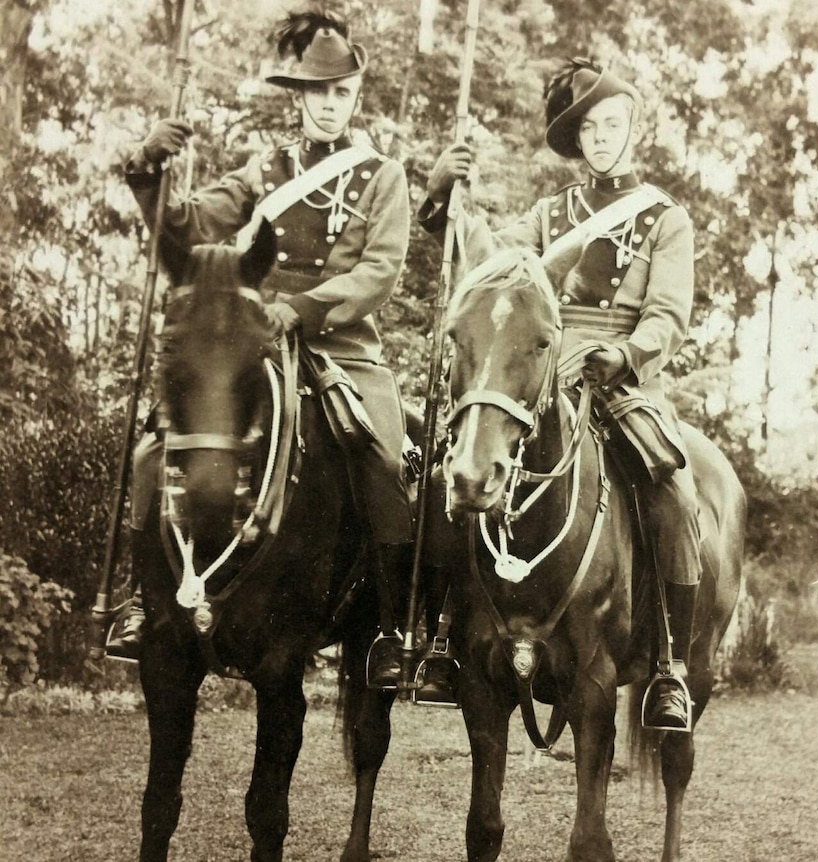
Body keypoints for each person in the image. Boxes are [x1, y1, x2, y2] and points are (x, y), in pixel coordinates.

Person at [107, 10, 414, 690]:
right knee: (159, 443)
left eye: (342, 93)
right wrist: (150, 168)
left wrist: (299, 308)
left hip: (345, 347)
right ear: (297, 98)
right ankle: (142, 598)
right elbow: (187, 225)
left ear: (355, 97)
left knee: (388, 458)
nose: (330, 104)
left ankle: (388, 629)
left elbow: (380, 271)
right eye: (318, 92)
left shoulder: (382, 176)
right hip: (258, 343)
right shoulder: (263, 171)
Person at [419, 57, 700, 730]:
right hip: (543, 373)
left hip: (622, 379)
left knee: (675, 498)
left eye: (613, 123)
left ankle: (669, 666)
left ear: (634, 127)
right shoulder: (551, 214)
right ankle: (439, 638)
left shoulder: (665, 218)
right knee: (451, 475)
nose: (602, 137)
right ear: (575, 143)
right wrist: (447, 203)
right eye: (589, 129)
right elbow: (493, 267)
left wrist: (624, 352)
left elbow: (667, 316)